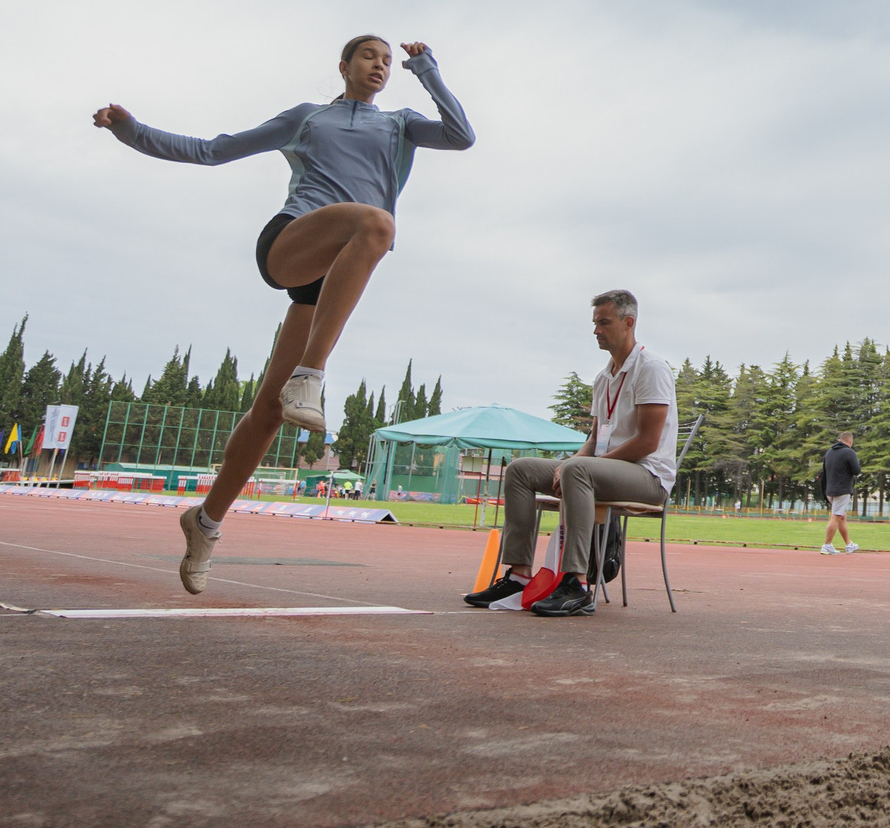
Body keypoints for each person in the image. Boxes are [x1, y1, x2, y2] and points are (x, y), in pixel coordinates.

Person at [95, 35, 473, 594]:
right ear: (343, 66)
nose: (380, 65)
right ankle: (311, 376)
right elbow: (214, 150)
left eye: (389, 60)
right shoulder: (307, 118)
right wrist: (131, 131)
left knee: (270, 411)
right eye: (369, 56)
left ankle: (205, 522)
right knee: (377, 224)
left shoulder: (400, 124)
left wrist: (427, 69)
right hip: (293, 241)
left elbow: (461, 136)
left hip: (334, 272)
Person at [471, 290, 676, 617]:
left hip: (648, 476)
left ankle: (576, 584)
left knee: (576, 470)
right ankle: (519, 577)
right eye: (595, 323)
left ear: (628, 323)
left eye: (604, 323)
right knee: (521, 470)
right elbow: (594, 438)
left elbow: (648, 442)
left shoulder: (651, 368)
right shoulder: (603, 377)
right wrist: (573, 462)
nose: (596, 330)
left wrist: (580, 466)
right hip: (602, 472)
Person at [820, 432, 861, 554]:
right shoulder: (849, 452)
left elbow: (824, 470)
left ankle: (849, 544)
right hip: (842, 490)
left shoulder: (829, 452)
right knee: (836, 517)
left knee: (841, 517)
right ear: (850, 441)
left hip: (829, 490)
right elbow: (857, 470)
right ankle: (827, 545)